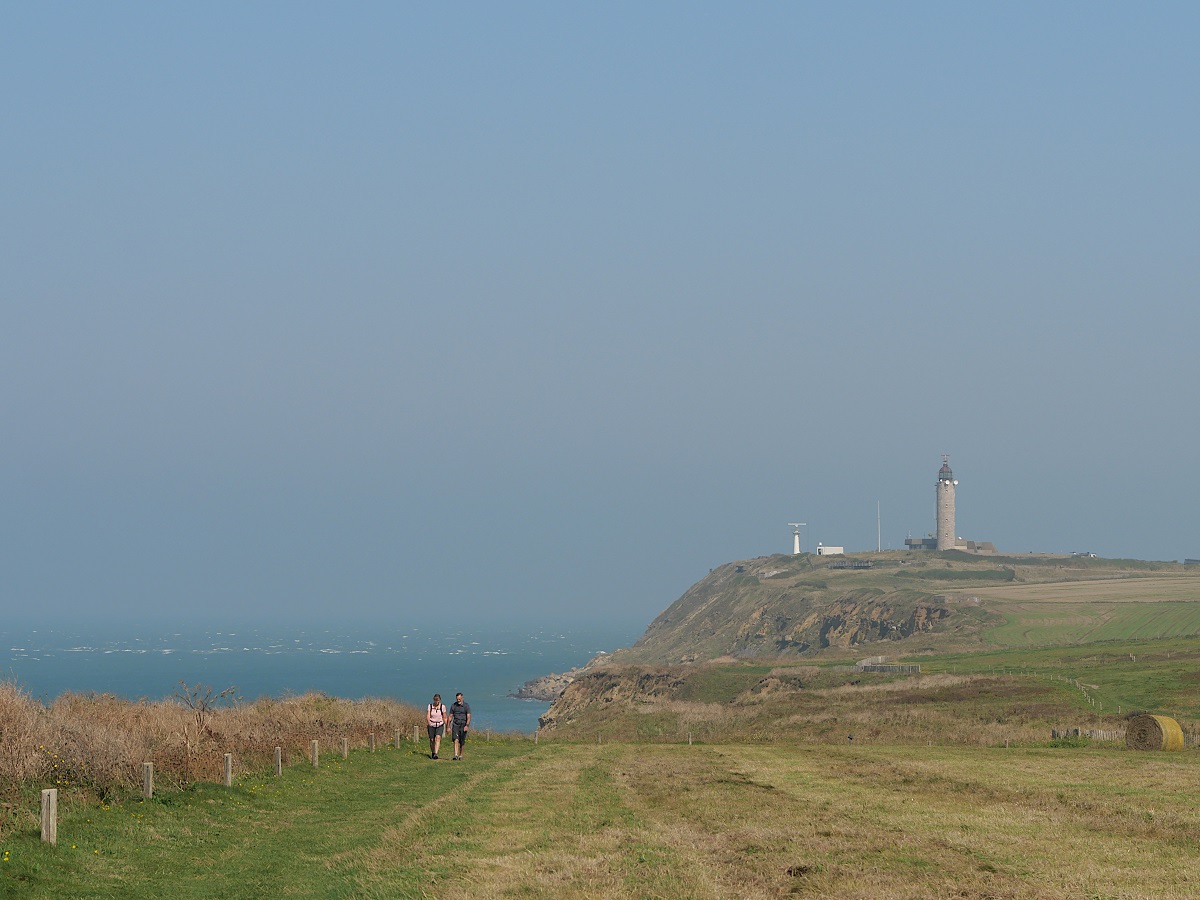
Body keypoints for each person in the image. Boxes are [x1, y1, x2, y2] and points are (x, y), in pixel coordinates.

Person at [449, 692, 471, 760]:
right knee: (456, 739)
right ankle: (455, 755)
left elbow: (469, 716)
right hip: (455, 724)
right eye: (457, 699)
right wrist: (448, 726)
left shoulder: (466, 706)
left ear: (462, 698)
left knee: (462, 741)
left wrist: (467, 725)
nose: (458, 700)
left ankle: (461, 755)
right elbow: (450, 716)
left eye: (459, 699)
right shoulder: (453, 706)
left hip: (463, 724)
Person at [426, 693, 447, 759]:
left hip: (439, 724)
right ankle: (433, 752)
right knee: (432, 740)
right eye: (435, 700)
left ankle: (436, 753)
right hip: (431, 724)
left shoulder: (442, 707)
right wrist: (429, 722)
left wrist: (447, 725)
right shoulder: (430, 706)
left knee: (438, 738)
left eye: (437, 700)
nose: (436, 702)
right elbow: (428, 715)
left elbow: (444, 716)